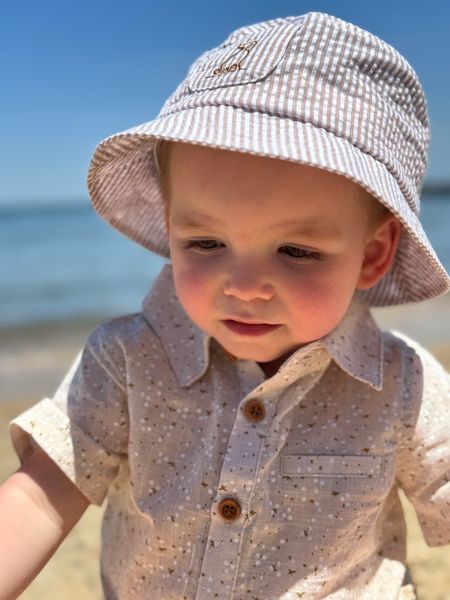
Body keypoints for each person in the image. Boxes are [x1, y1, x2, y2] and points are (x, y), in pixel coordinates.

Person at [1, 11, 449, 600]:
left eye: (295, 250)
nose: (244, 286)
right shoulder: (125, 362)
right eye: (206, 243)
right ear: (171, 226)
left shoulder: (402, 384)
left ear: (371, 254)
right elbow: (40, 496)